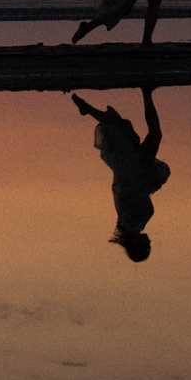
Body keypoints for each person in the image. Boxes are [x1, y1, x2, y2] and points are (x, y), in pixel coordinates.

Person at [73, 88, 169, 261]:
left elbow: (129, 194)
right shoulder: (130, 224)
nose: (150, 242)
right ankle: (89, 109)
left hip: (135, 169)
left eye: (146, 246)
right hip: (137, 170)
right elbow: (128, 195)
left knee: (139, 133)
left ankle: (146, 91)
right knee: (137, 132)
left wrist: (150, 184)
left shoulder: (132, 224)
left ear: (137, 245)